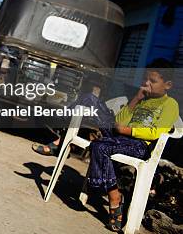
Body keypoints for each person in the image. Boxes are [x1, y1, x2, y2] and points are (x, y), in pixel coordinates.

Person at [32, 59, 179, 231]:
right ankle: (62, 140)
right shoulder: (143, 99)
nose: (146, 84)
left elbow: (155, 133)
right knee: (89, 99)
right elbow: (119, 122)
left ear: (167, 85)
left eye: (152, 81)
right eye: (146, 79)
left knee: (99, 146)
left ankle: (114, 199)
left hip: (139, 145)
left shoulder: (170, 105)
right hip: (119, 136)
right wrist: (136, 99)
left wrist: (127, 131)